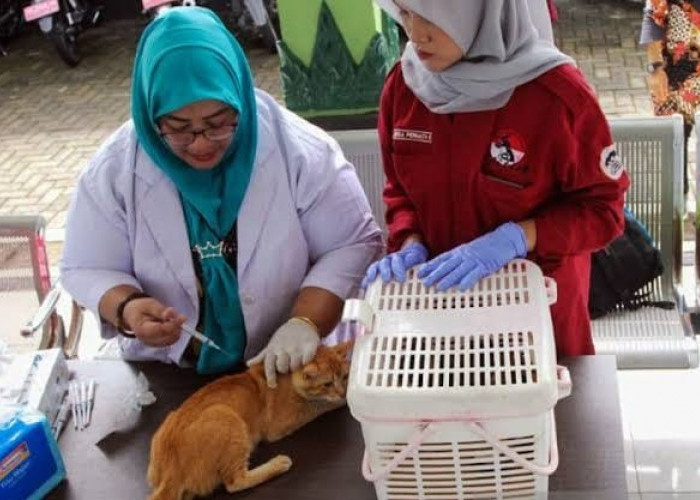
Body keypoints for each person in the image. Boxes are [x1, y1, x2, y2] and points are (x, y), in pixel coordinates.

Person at [60, 7, 382, 383]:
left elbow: (351, 243)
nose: (200, 145)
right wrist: (128, 307)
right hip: (169, 372)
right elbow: (85, 266)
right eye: (178, 129)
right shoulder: (114, 171)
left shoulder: (299, 151)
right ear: (151, 116)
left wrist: (306, 321)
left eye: (218, 125)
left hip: (291, 369)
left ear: (239, 99)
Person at [363, 0, 630, 356]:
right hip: (441, 311)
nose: (415, 34)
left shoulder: (557, 96)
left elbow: (603, 212)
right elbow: (400, 191)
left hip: (537, 314)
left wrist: (518, 238)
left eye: (434, 17)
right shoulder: (404, 87)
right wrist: (409, 239)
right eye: (407, 13)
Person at [640, 0, 699, 195]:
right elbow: (653, 14)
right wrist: (655, 68)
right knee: (674, 140)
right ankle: (677, 206)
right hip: (677, 69)